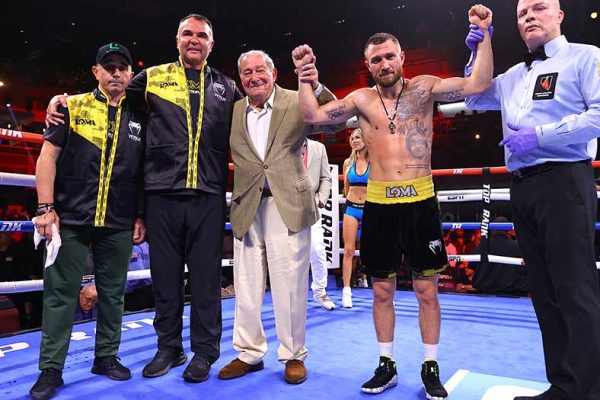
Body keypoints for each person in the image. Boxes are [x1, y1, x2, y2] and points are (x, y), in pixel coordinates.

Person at [293, 4, 493, 397]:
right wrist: (304, 78)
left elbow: (478, 85)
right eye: (376, 59)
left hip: (420, 201)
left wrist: (484, 36)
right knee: (382, 290)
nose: (384, 63)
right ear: (367, 65)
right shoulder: (361, 100)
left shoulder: (425, 87)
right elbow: (314, 116)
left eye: (389, 56)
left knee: (426, 289)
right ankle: (386, 363)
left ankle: (430, 364)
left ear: (402, 58)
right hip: (380, 206)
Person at [45, 14, 243, 383]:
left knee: (204, 280)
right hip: (161, 196)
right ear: (177, 40)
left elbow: (254, 121)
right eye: (188, 34)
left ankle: (204, 351)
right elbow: (109, 95)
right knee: (164, 278)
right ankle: (169, 346)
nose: (194, 40)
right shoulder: (150, 77)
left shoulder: (228, 87)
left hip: (208, 195)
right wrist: (63, 99)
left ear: (211, 45)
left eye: (202, 35)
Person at [465, 1, 600, 398]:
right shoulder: (511, 77)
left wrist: (539, 137)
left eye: (539, 8)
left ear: (560, 15)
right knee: (543, 293)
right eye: (522, 12)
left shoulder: (585, 57)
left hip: (565, 181)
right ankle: (562, 386)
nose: (528, 16)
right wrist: (478, 49)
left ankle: (590, 391)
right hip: (523, 187)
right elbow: (473, 98)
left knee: (575, 290)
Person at [217, 50, 342, 385]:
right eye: (246, 72)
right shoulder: (233, 112)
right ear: (240, 78)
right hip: (247, 205)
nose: (253, 77)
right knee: (246, 285)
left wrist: (313, 85)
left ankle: (293, 354)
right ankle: (249, 352)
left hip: (287, 204)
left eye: (260, 70)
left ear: (273, 73)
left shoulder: (295, 99)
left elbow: (336, 119)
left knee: (289, 286)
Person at [31, 42, 145, 400]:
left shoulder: (142, 114)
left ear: (130, 74)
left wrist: (140, 213)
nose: (115, 72)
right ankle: (51, 369)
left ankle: (106, 357)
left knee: (113, 295)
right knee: (60, 295)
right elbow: (47, 157)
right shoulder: (71, 106)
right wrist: (44, 207)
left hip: (119, 219)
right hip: (71, 217)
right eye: (107, 66)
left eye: (121, 67)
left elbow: (144, 171)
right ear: (95, 71)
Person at [303, 138, 335, 310]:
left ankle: (320, 292)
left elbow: (326, 178)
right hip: (285, 205)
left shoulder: (318, 147)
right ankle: (293, 295)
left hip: (312, 207)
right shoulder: (284, 142)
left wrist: (321, 201)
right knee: (288, 253)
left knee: (317, 249)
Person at [341, 128, 369, 308]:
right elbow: (346, 189)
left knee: (374, 250)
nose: (355, 140)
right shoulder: (347, 163)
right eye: (352, 138)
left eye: (358, 137)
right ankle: (346, 292)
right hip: (351, 208)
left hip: (370, 208)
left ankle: (382, 291)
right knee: (349, 251)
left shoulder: (375, 161)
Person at [470, 217, 528, 294]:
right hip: (515, 293)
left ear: (492, 229)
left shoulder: (483, 246)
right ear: (508, 230)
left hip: (488, 293)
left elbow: (472, 265)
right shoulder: (518, 246)